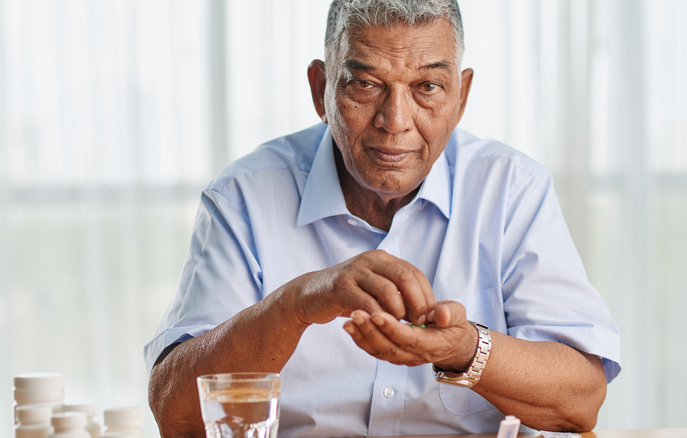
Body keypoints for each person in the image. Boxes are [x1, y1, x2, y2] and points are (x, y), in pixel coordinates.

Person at [145, 0, 621, 436]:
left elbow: (580, 402)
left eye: (427, 87)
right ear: (320, 89)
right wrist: (297, 304)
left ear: (461, 96)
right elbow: (177, 413)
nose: (395, 121)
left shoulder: (512, 190)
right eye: (365, 84)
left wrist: (464, 351)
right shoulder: (243, 196)